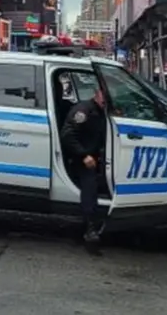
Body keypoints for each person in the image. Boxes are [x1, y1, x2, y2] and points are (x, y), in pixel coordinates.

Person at [60, 85, 108, 253]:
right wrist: (83, 155)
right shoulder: (83, 111)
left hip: (97, 158)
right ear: (97, 94)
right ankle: (90, 228)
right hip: (80, 159)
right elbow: (67, 135)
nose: (106, 98)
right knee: (90, 184)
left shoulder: (105, 112)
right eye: (104, 94)